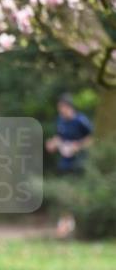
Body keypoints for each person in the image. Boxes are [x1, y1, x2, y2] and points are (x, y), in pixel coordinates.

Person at [45, 93, 93, 238]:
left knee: (77, 193)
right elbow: (60, 137)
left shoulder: (81, 121)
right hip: (64, 163)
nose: (61, 111)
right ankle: (65, 225)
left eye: (62, 108)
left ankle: (74, 225)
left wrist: (76, 147)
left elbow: (91, 138)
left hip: (79, 163)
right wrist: (53, 143)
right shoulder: (60, 121)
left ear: (69, 107)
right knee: (64, 193)